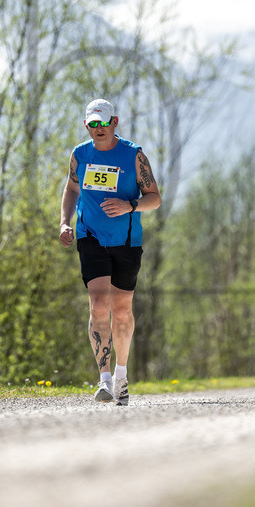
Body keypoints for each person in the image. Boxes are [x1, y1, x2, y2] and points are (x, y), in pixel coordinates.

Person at [59, 98, 162, 406]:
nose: (99, 128)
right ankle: (103, 380)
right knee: (98, 302)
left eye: (104, 123)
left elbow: (154, 198)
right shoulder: (80, 154)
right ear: (87, 125)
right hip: (89, 235)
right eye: (93, 123)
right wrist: (64, 222)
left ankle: (121, 374)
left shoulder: (133, 155)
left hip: (127, 241)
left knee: (121, 310)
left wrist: (129, 205)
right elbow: (72, 188)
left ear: (114, 122)